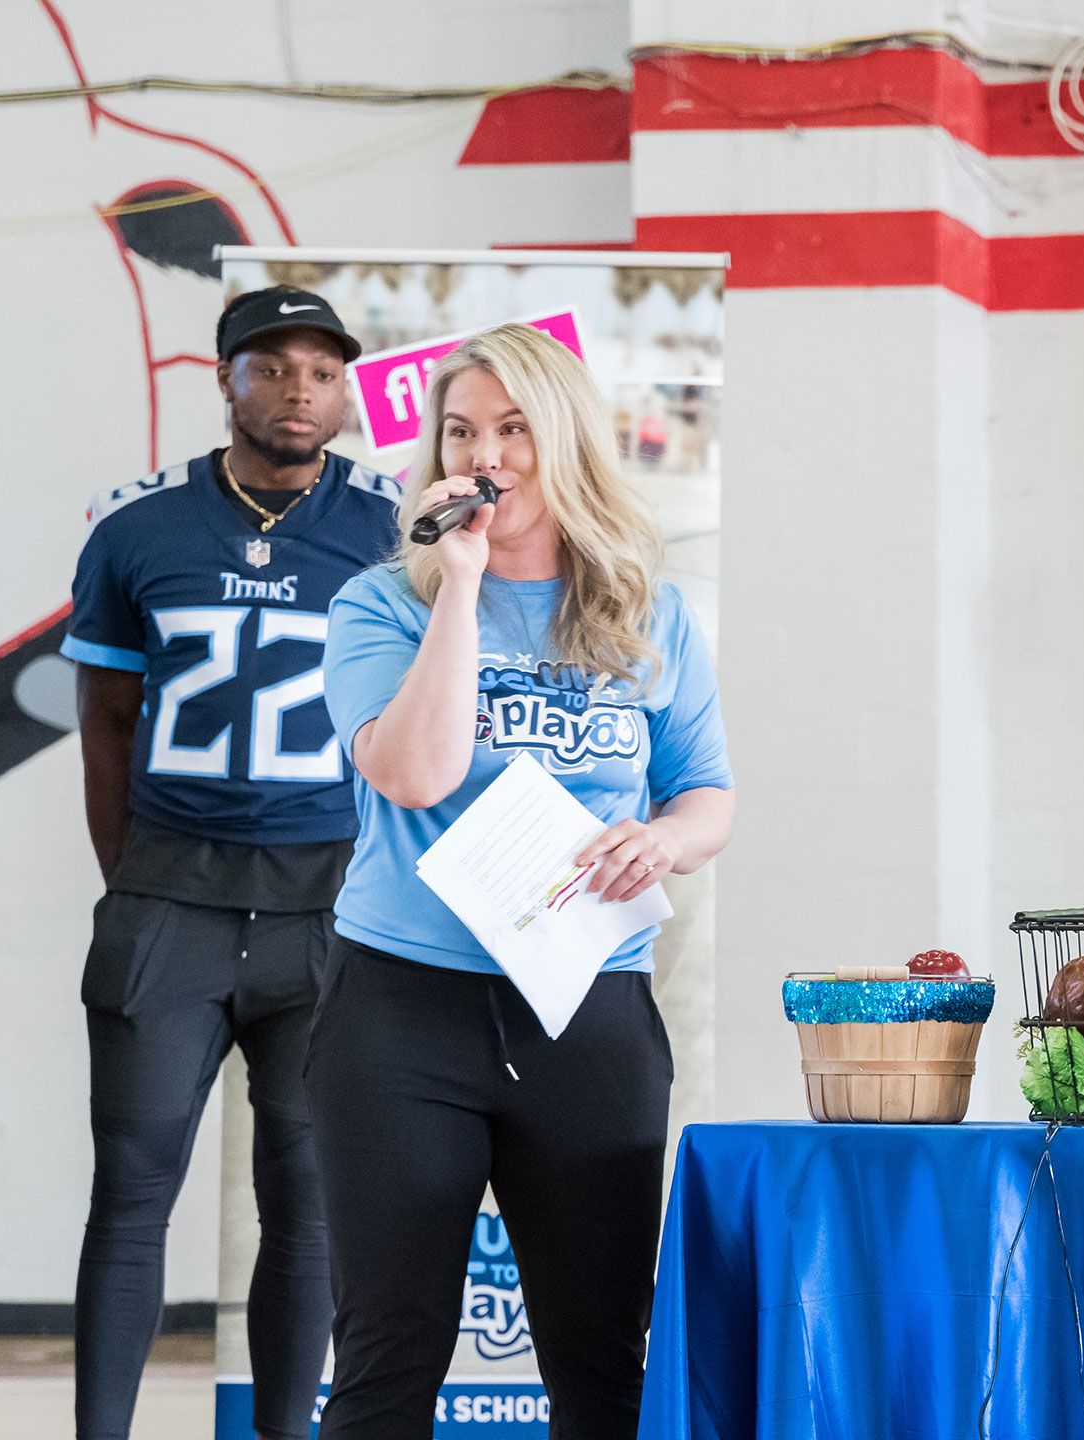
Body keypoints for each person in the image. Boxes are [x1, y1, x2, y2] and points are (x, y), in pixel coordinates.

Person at [310, 322, 734, 1438]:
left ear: (565, 441)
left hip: (586, 1006)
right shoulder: (378, 606)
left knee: (601, 1356)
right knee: (388, 1352)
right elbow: (415, 772)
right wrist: (458, 585)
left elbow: (707, 797)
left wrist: (665, 843)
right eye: (460, 430)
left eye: (513, 429)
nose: (486, 454)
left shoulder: (651, 614)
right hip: (403, 1011)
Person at [62, 286, 396, 1440]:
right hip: (172, 903)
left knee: (304, 1208)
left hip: (328, 908)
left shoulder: (393, 526)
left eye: (321, 369)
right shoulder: (136, 524)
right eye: (272, 366)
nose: (299, 389)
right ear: (226, 379)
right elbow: (106, 715)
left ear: (347, 387)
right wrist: (136, 877)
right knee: (133, 1194)